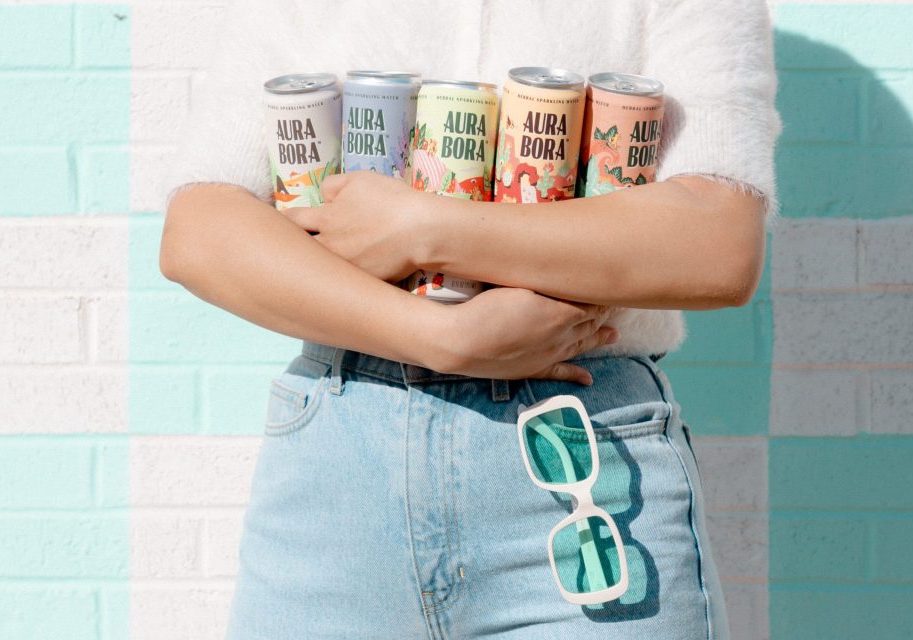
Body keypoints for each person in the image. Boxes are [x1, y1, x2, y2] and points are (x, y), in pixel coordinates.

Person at [159, 0, 779, 637]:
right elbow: (199, 231)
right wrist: (439, 336)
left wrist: (420, 228)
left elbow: (718, 244)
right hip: (340, 484)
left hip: (585, 464)